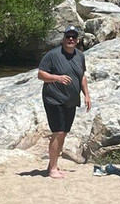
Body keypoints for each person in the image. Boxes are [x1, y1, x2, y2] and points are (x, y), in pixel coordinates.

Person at [36, 25, 91, 179]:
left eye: (74, 37)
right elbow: (40, 74)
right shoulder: (52, 55)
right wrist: (57, 78)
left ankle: (52, 165)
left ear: (78, 40)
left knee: (64, 133)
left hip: (71, 101)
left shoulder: (80, 56)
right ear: (64, 38)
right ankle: (53, 169)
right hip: (53, 99)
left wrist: (86, 95)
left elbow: (82, 77)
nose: (71, 39)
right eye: (68, 37)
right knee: (58, 132)